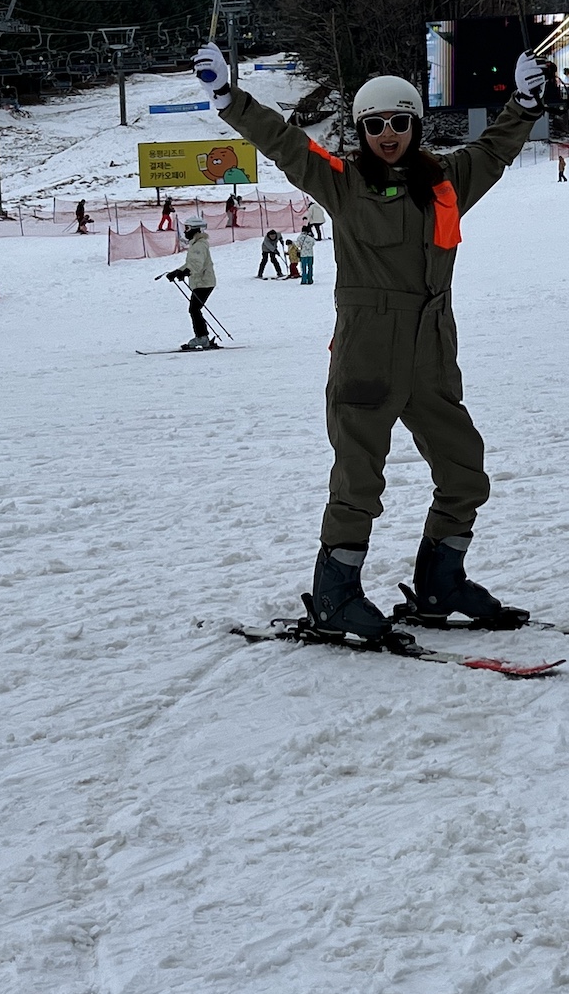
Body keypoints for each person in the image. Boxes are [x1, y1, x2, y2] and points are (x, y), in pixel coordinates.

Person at [193, 39, 546, 639]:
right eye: (376, 124)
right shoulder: (345, 183)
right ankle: (335, 595)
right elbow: (287, 146)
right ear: (361, 129)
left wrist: (526, 102)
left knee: (465, 472)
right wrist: (230, 99)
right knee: (359, 479)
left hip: (432, 356)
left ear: (415, 125)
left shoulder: (449, 182)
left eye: (400, 123)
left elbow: (496, 148)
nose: (389, 134)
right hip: (367, 357)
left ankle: (440, 583)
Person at [165, 216, 217, 349]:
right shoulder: (196, 244)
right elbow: (190, 264)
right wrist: (178, 271)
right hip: (201, 282)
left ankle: (202, 337)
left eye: (187, 228)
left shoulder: (199, 245)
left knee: (194, 309)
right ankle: (202, 336)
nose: (185, 231)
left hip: (204, 282)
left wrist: (185, 272)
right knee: (194, 309)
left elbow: (196, 265)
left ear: (194, 229)